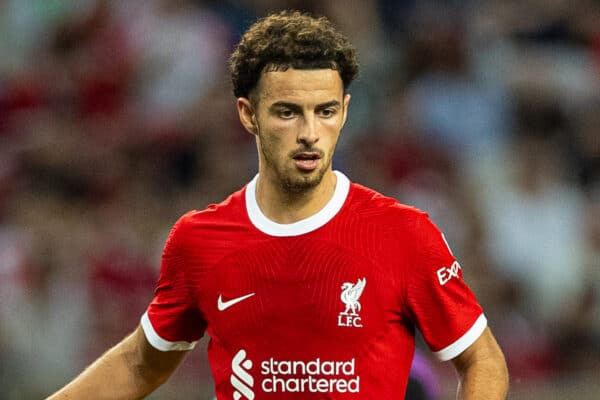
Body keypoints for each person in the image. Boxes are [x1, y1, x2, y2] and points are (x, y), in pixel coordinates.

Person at [47, 10, 508, 399]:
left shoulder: (403, 232)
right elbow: (141, 362)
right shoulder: (199, 239)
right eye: (287, 111)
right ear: (248, 114)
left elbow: (481, 358)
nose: (309, 133)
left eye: (325, 111)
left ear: (344, 112)